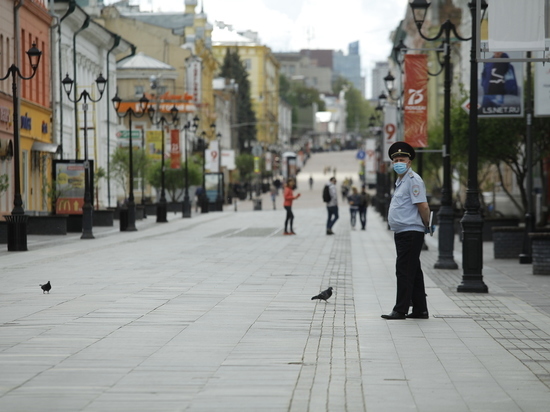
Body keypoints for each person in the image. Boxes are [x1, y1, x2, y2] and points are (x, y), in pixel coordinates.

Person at [382, 142, 431, 320]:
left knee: (404, 270)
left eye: (401, 159)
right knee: (414, 270)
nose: (398, 162)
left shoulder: (413, 180)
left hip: (410, 232)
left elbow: (423, 206)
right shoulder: (401, 181)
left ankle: (400, 309)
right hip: (403, 231)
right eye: (395, 160)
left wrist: (426, 225)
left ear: (409, 162)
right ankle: (420, 309)